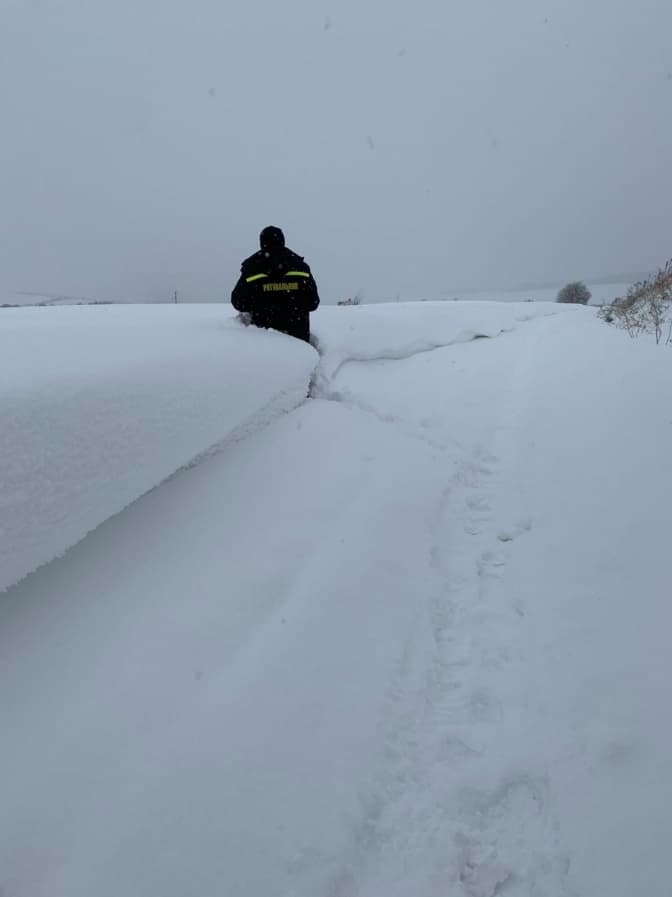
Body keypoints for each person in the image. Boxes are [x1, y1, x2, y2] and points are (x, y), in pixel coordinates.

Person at [231, 226, 320, 343]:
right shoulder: (301, 266)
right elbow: (313, 303)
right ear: (282, 240)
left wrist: (261, 302)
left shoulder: (252, 267)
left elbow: (238, 302)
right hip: (299, 341)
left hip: (264, 342)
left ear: (262, 242)